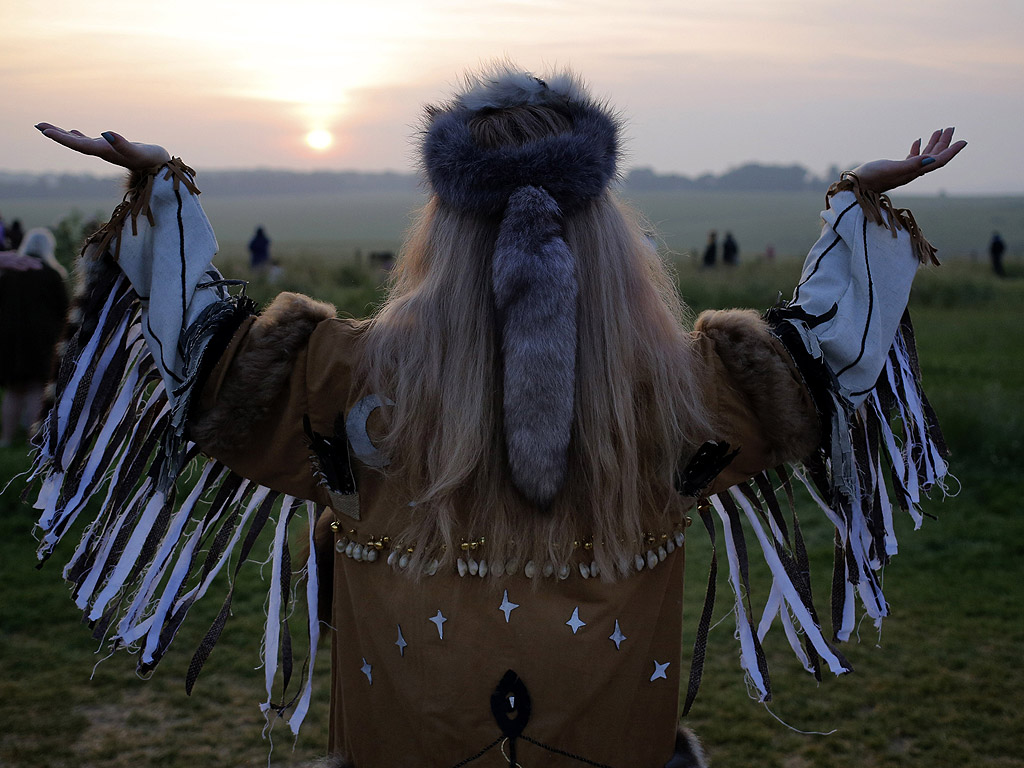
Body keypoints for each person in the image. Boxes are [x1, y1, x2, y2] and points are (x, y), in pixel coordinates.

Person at [29, 66, 964, 767]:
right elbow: (823, 356)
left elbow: (208, 363)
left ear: (442, 226)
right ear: (605, 232)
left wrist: (163, 196)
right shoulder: (679, 401)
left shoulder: (346, 385)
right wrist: (860, 210)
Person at [0, 228, 68, 446]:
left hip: (12, 341)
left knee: (14, 390)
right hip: (42, 341)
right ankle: (33, 441)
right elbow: (65, 310)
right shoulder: (52, 274)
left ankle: (6, 439)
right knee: (37, 389)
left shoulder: (10, 273)